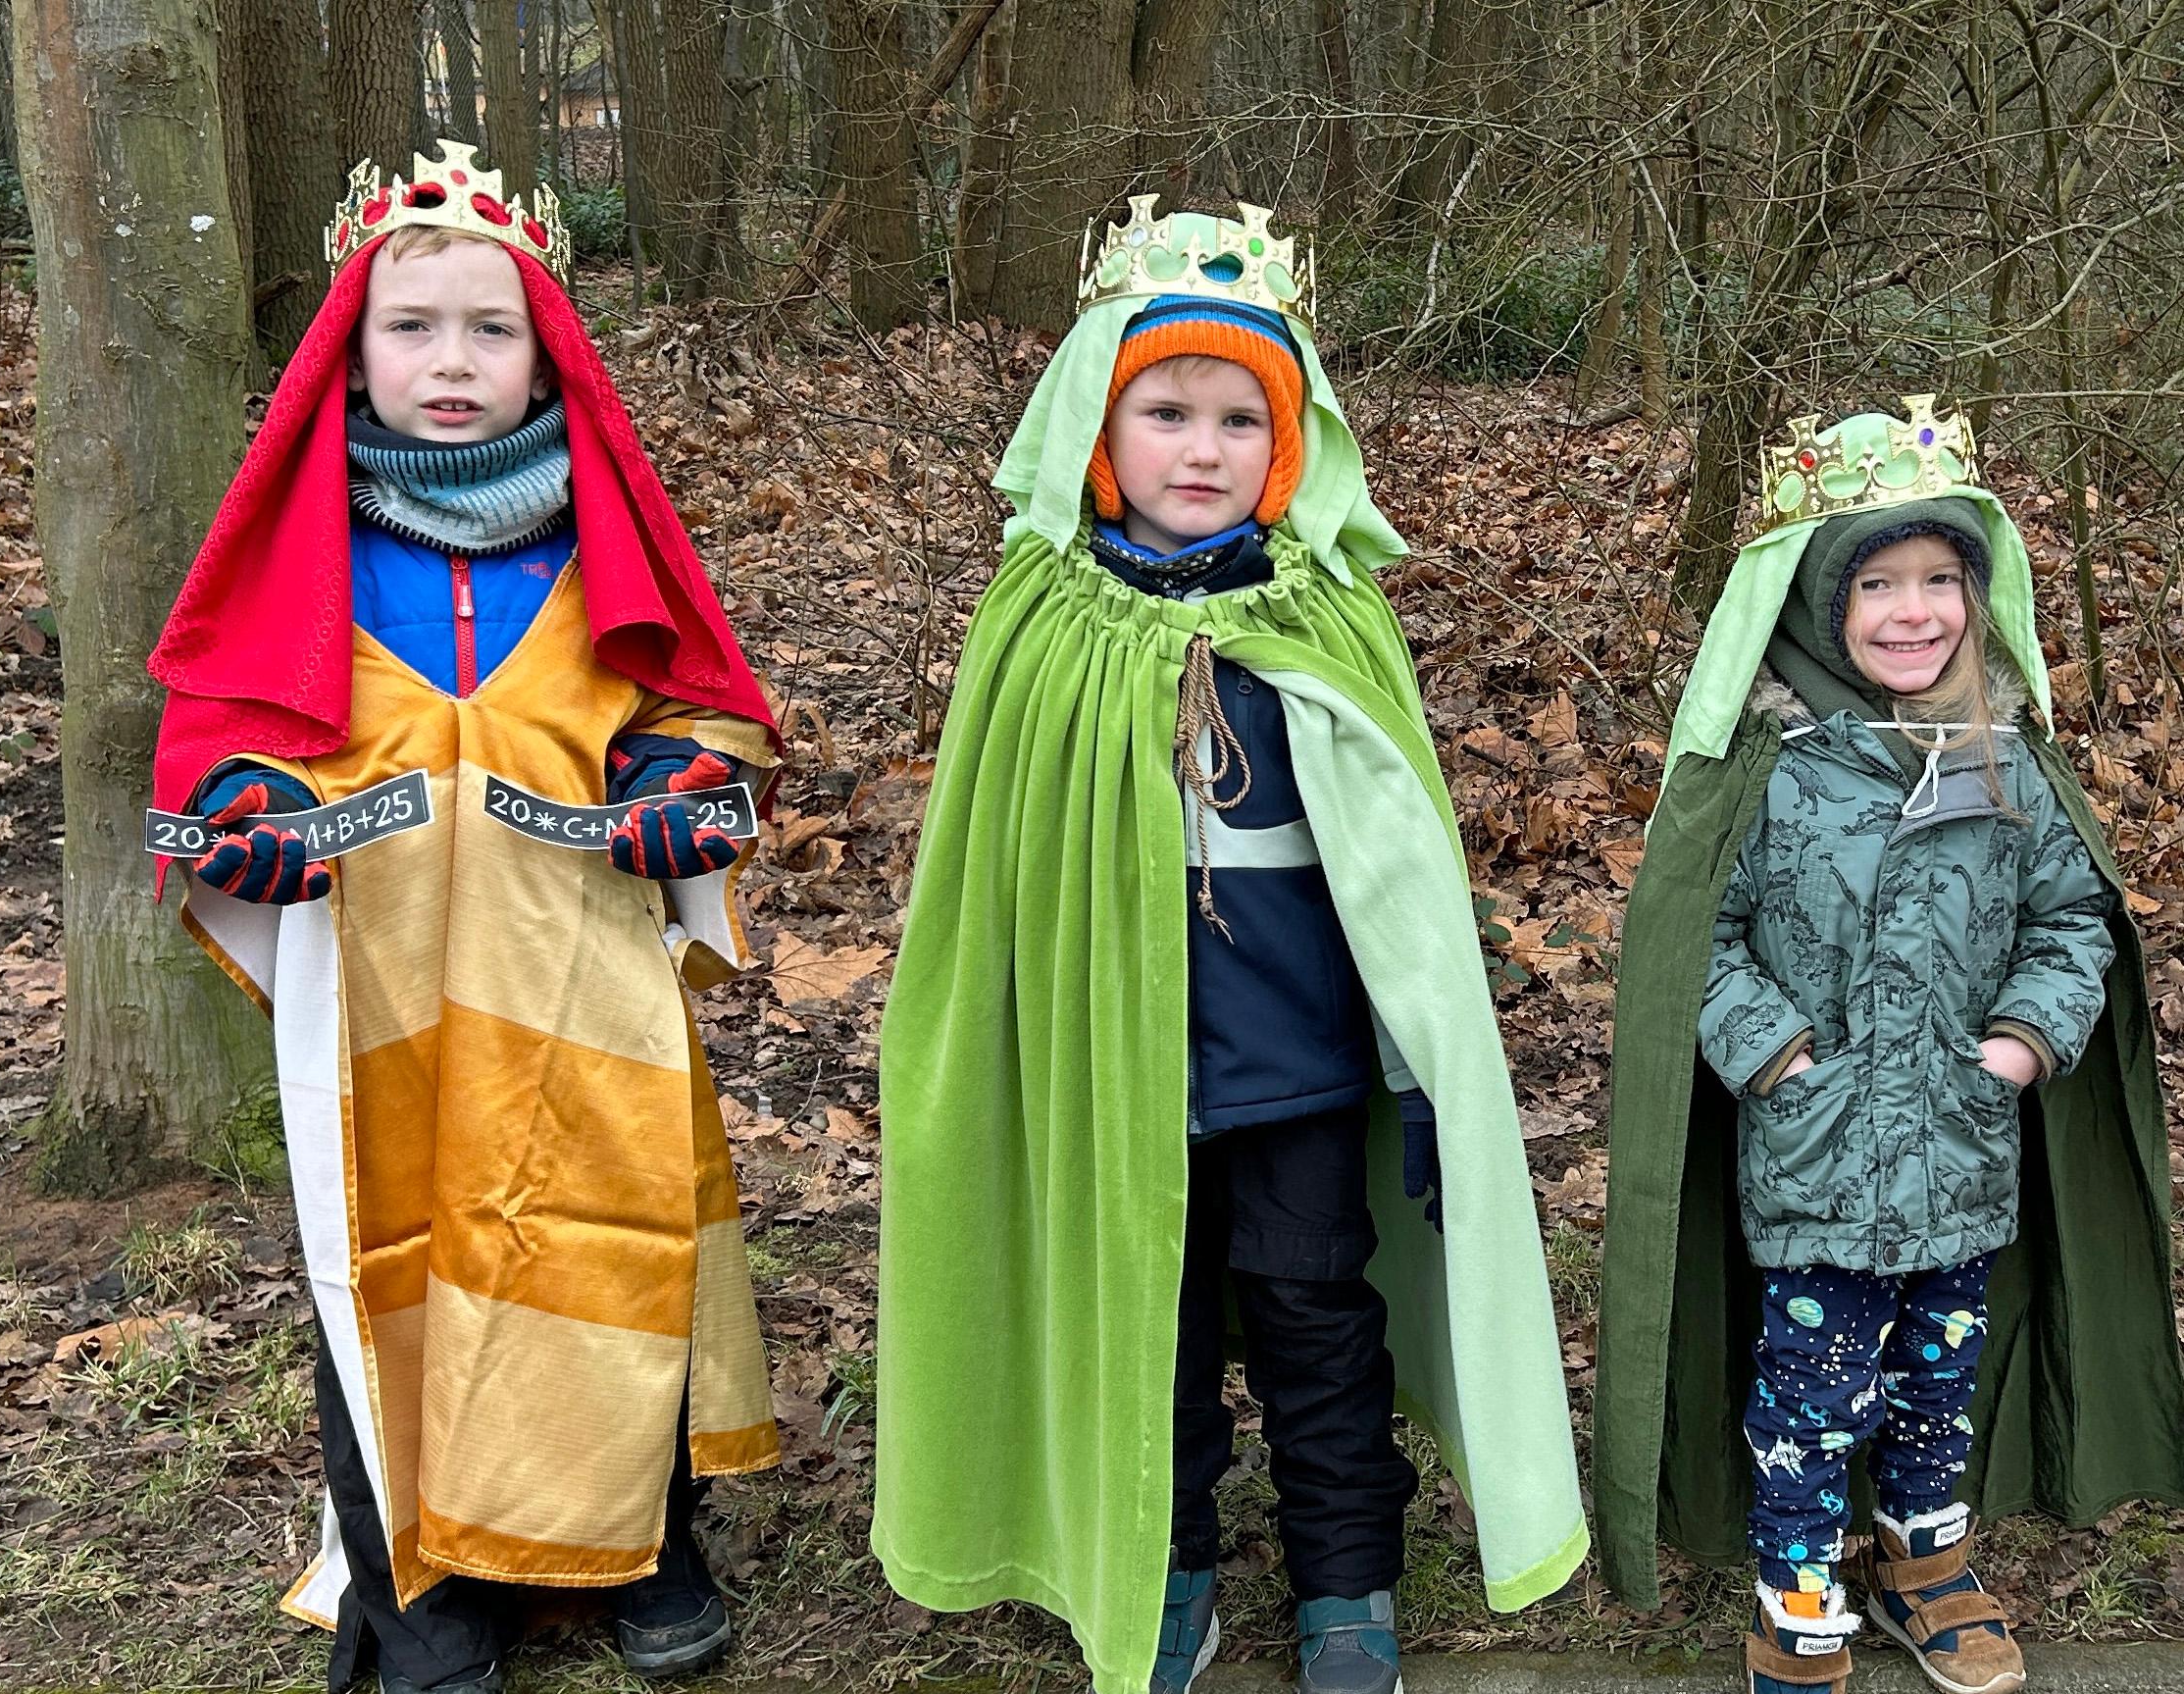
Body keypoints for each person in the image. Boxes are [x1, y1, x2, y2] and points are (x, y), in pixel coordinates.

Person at [872, 197, 1587, 1694]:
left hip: (1294, 1078)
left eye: (1235, 421)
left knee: (1320, 1333)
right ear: (1097, 427)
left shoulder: (1329, 616)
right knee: (1150, 1338)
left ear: (1289, 446)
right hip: (1105, 1082)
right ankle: (1164, 1563)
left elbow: (1397, 884)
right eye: (1163, 412)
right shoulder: (1042, 620)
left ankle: (1346, 1583)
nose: (1199, 450)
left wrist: (1413, 1069)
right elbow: (989, 874)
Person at [148, 141, 783, 1694]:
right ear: (350, 352)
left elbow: (705, 708)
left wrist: (679, 775)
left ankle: (636, 1546)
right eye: (411, 325)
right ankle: (419, 1592)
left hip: (585, 991)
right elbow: (212, 736)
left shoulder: (605, 541)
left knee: (606, 1246)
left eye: (491, 329)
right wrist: (238, 813)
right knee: (386, 1264)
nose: (451, 363)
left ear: (546, 346)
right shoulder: (298, 562)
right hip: (377, 1009)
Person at [1593, 398, 2184, 1694]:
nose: (1912, 612)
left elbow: (2068, 919)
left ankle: (1925, 1565)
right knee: (1806, 1400)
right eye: (1876, 584)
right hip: (1809, 1163)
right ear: (1818, 603)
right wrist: (1776, 1060)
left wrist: (2022, 1045)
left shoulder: (2004, 758)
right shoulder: (1765, 767)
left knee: (1935, 1389)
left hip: (1962, 1153)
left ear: (1975, 599)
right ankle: (1796, 1595)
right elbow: (1696, 936)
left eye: (1938, 583)